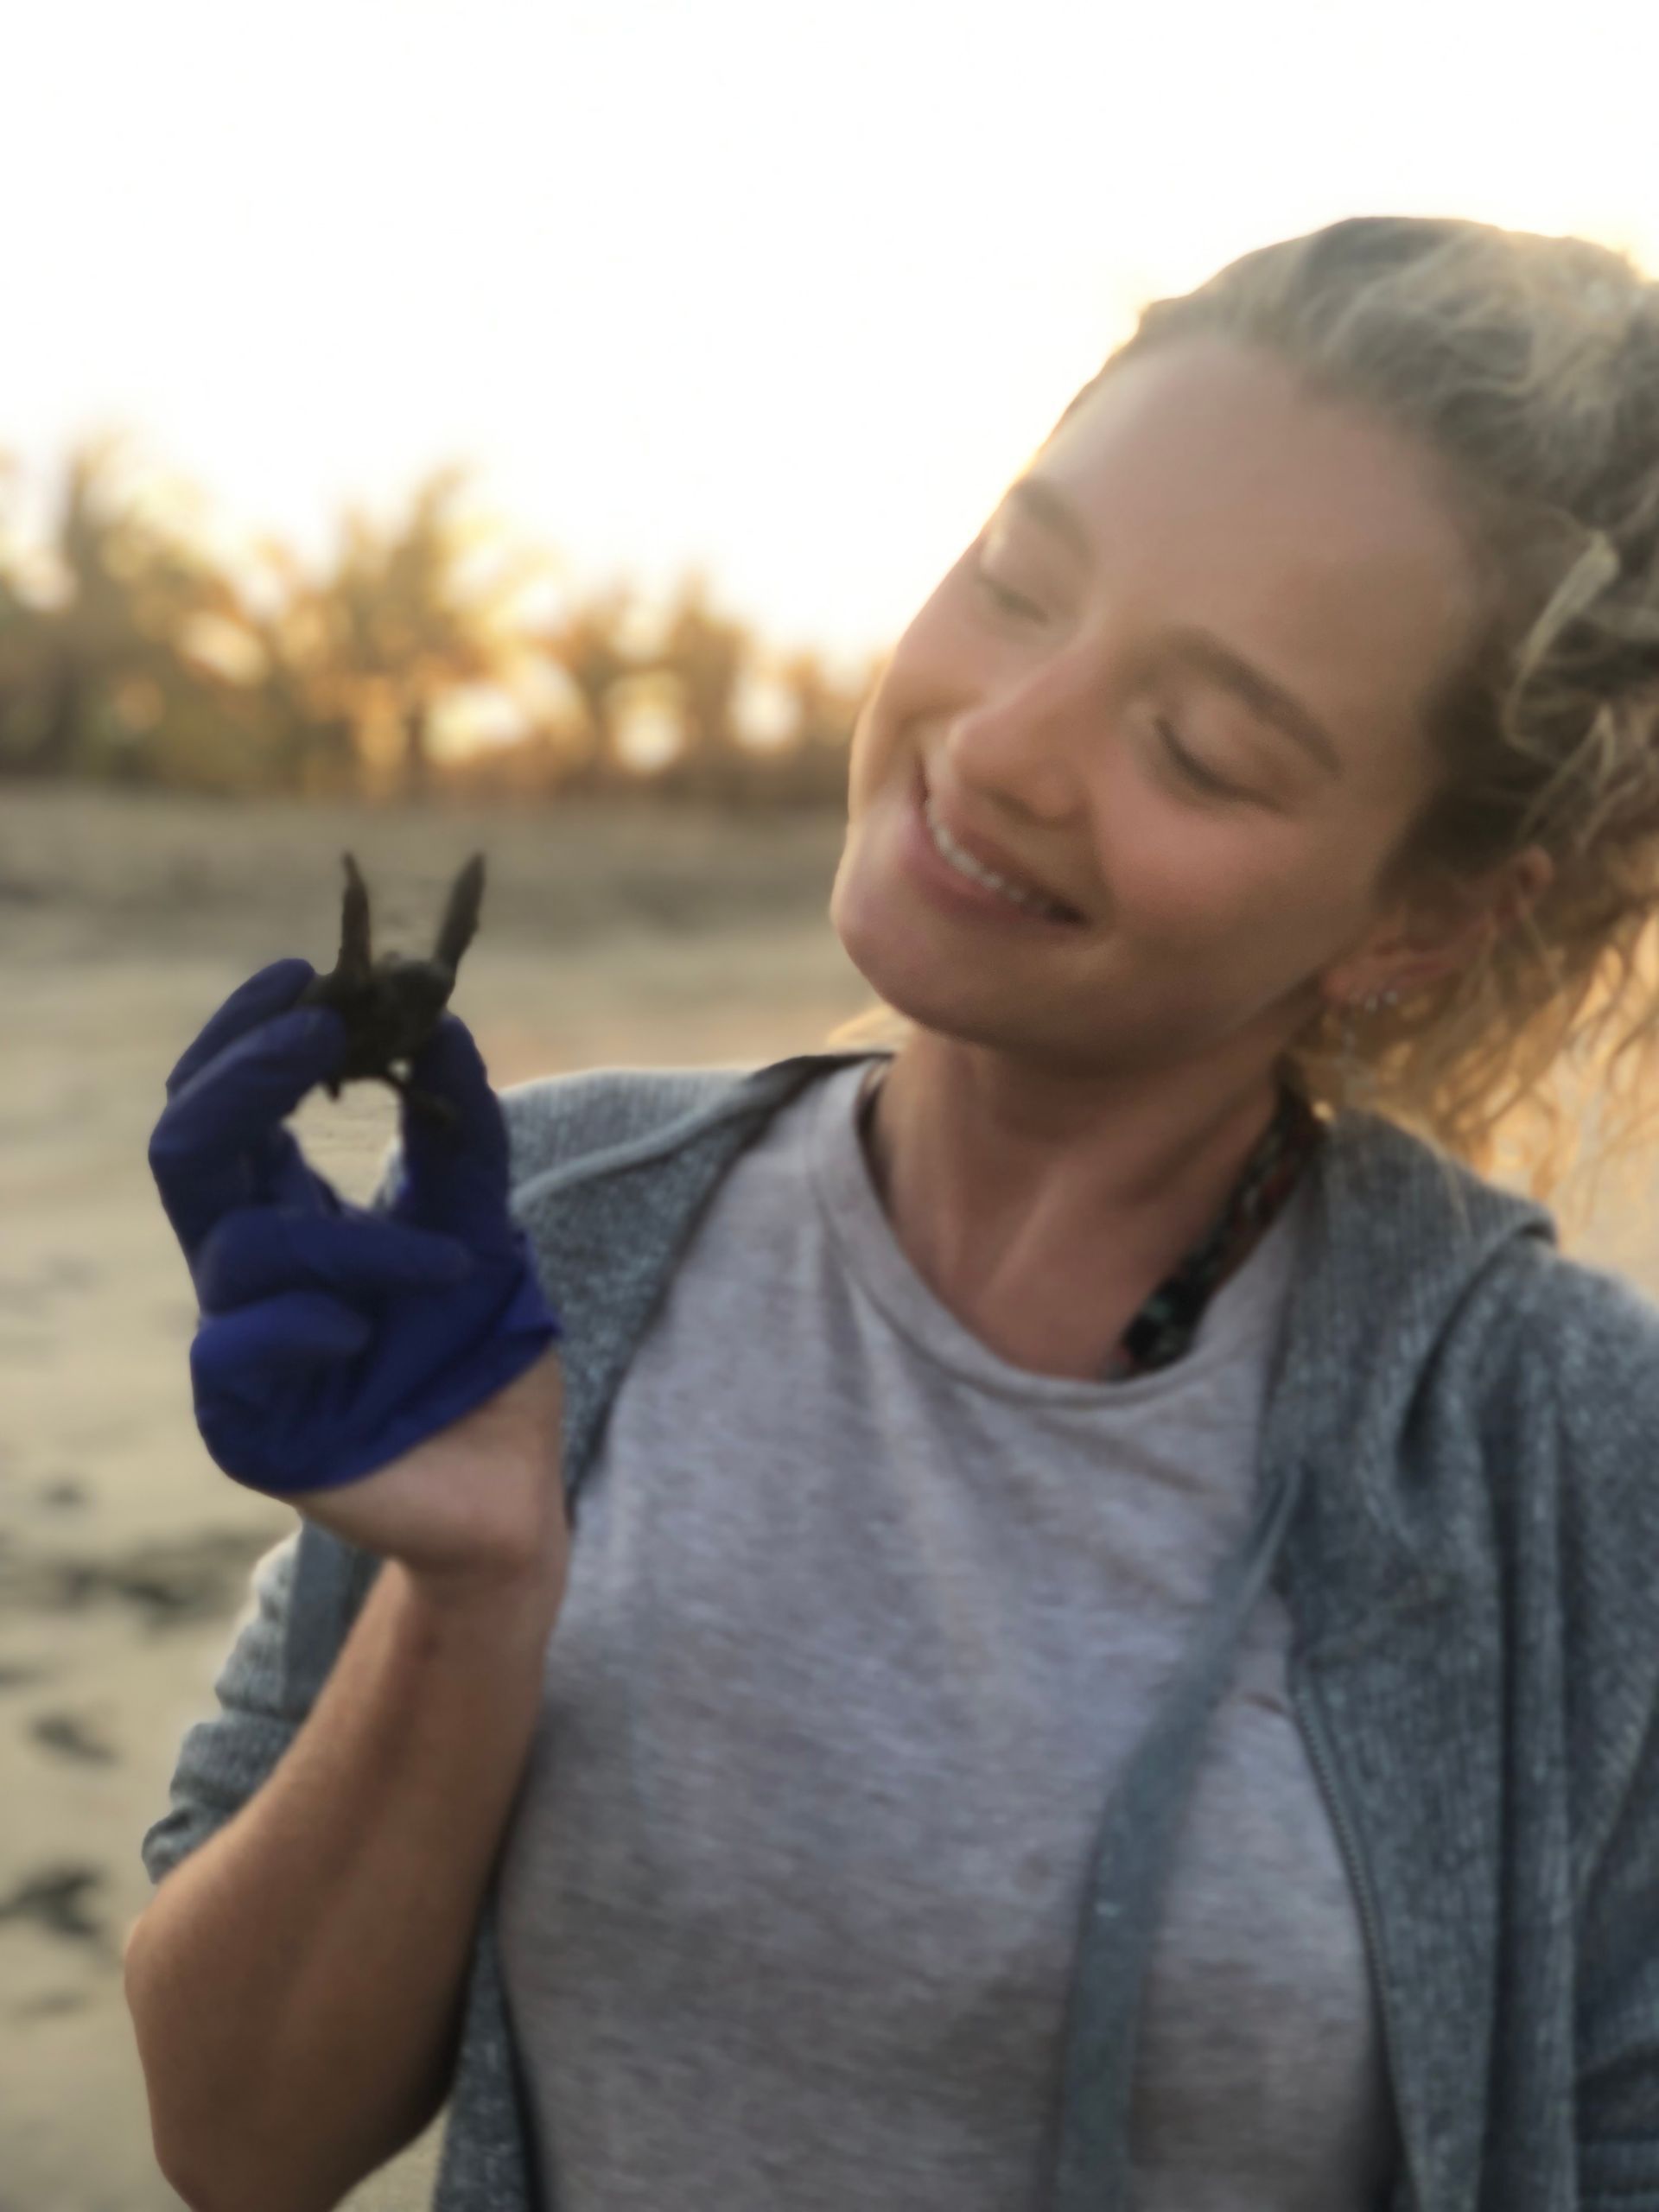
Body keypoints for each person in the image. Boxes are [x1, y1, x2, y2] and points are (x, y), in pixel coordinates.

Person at [124, 213, 1659, 2212]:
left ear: (1426, 916)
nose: (1003, 745)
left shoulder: (1564, 1450)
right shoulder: (544, 1241)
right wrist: (467, 1590)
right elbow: (238, 2139)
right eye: (1017, 582)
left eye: (1199, 747)